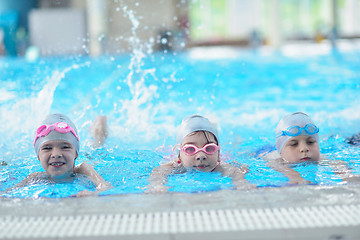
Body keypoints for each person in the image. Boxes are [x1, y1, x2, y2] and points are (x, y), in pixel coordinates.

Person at [146, 114, 253, 193]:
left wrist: (241, 183)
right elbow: (158, 173)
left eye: (209, 148)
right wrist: (157, 185)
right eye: (190, 149)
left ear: (219, 155)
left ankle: (214, 124)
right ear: (179, 155)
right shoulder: (175, 167)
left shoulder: (223, 168)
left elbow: (238, 171)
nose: (201, 156)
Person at [13, 113, 112, 197]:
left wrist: (94, 194)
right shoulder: (35, 177)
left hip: (91, 159)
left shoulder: (83, 169)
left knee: (97, 148)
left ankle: (98, 131)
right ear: (38, 156)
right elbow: (8, 193)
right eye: (47, 148)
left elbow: (106, 187)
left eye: (65, 147)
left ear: (76, 153)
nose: (56, 154)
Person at [261, 112, 359, 184]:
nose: (304, 148)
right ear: (281, 152)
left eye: (310, 142)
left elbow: (338, 164)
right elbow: (280, 168)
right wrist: (294, 177)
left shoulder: (322, 157)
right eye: (294, 144)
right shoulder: (275, 160)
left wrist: (347, 175)